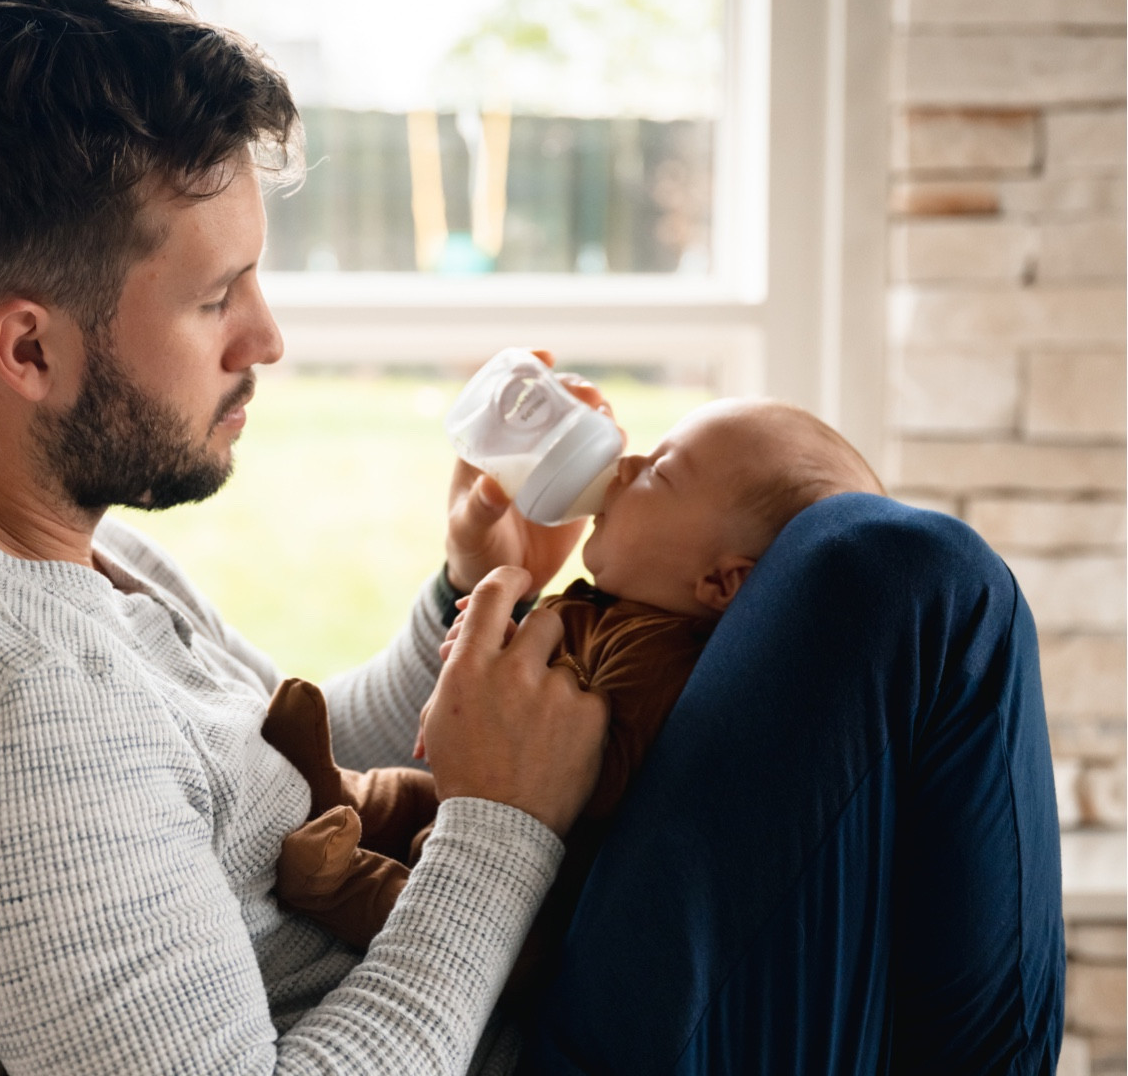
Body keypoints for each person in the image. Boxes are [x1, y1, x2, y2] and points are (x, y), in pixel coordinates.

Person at [0, 0, 1123, 1076]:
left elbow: (269, 800)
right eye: (213, 296)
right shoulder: (3, 701)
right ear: (27, 345)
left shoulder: (58, 558)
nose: (267, 337)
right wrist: (504, 826)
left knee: (860, 578)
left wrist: (463, 598)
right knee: (889, 579)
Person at [262, 401, 882, 970]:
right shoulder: (614, 608)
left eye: (659, 473)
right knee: (404, 795)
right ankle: (330, 790)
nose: (627, 462)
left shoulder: (666, 668)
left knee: (429, 905)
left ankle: (337, 884)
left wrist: (489, 714)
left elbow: (595, 777)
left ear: (722, 584)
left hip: (548, 899)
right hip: (487, 822)